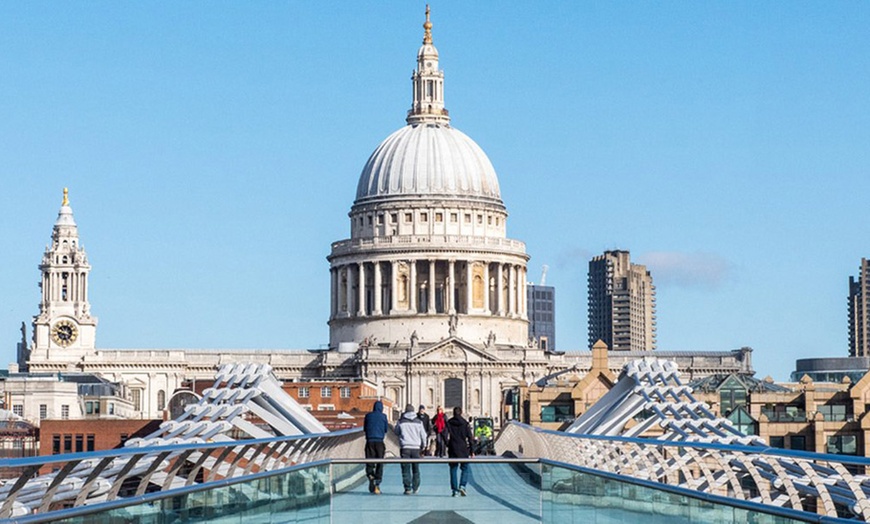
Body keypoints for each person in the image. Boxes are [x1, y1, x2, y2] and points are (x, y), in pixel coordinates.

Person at [395, 403, 428, 494]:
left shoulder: (401, 421)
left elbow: (396, 432)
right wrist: (424, 446)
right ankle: (416, 487)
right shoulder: (419, 422)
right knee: (416, 468)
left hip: (405, 447)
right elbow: (423, 435)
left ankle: (407, 488)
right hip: (416, 448)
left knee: (405, 469)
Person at [446, 406, 474, 496]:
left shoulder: (449, 423)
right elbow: (470, 437)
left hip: (453, 448)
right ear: (461, 413)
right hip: (463, 449)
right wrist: (472, 450)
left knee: (453, 469)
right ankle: (462, 486)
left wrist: (448, 443)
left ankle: (454, 490)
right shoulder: (465, 424)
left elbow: (444, 434)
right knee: (465, 468)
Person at [363, 400, 388, 494]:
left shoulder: (368, 416)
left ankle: (370, 475)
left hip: (369, 441)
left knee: (369, 461)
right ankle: (377, 482)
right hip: (379, 442)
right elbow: (386, 430)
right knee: (380, 462)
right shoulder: (383, 416)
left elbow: (365, 428)